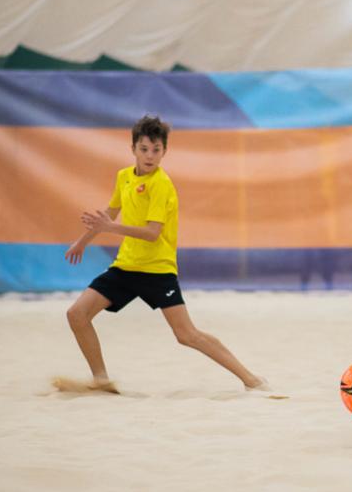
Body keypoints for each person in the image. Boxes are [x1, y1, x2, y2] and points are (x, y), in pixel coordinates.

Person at [60, 115, 266, 393]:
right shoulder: (124, 177)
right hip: (125, 267)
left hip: (157, 270)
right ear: (133, 149)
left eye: (156, 150)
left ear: (164, 152)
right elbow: (108, 214)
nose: (150, 155)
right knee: (77, 314)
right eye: (144, 149)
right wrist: (82, 242)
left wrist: (110, 228)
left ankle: (251, 379)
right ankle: (101, 380)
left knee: (186, 335)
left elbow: (152, 233)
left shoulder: (161, 184)